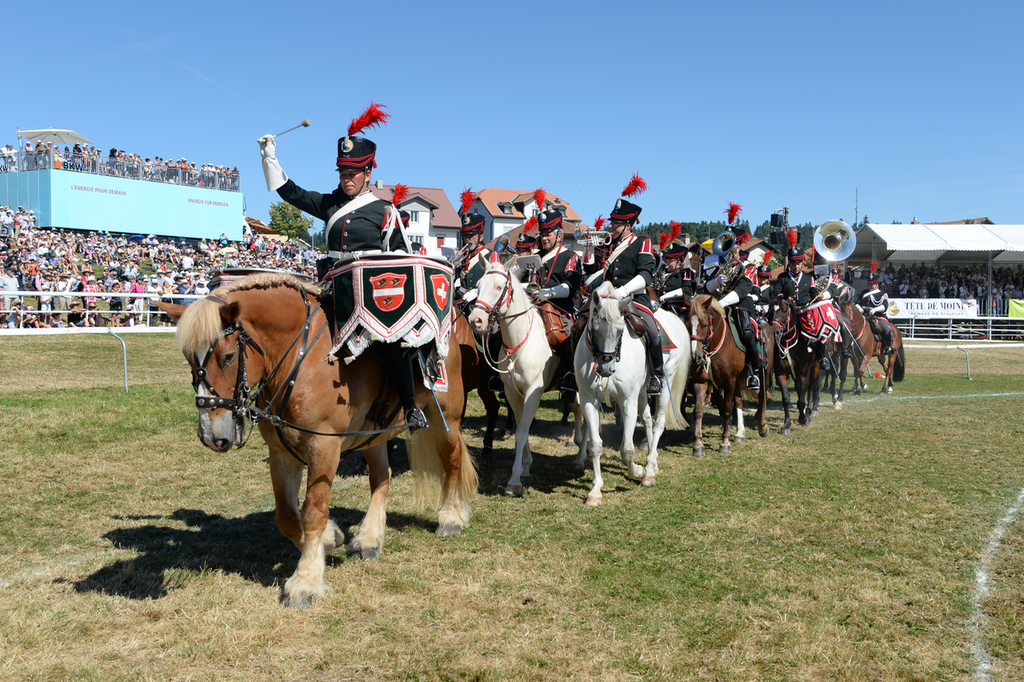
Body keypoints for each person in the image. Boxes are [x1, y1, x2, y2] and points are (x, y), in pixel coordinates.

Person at [258, 103, 427, 433]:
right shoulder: (330, 204)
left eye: (352, 173)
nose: (346, 178)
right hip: (332, 287)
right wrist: (269, 156)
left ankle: (409, 408)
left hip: (372, 295)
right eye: (342, 173)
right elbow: (290, 192)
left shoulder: (385, 211)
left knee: (392, 341)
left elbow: (401, 262)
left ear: (368, 173)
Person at [580, 178, 663, 395]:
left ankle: (657, 375)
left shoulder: (642, 242)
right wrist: (588, 259)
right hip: (606, 298)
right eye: (612, 223)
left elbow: (646, 275)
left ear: (628, 225)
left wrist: (624, 291)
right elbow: (595, 274)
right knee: (578, 324)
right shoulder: (608, 245)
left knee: (652, 332)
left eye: (616, 224)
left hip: (632, 298)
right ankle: (574, 374)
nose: (612, 227)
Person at [530, 207, 582, 393]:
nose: (544, 238)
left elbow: (571, 286)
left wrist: (549, 293)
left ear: (559, 235)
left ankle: (571, 377)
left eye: (549, 234)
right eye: (542, 233)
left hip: (560, 309)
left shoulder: (570, 256)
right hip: (534, 306)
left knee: (569, 338)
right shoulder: (535, 257)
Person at [704, 246, 764, 390]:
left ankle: (753, 371)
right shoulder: (715, 266)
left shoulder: (746, 267)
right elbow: (706, 288)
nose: (730, 252)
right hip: (715, 306)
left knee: (747, 331)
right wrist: (716, 281)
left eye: (733, 248)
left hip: (740, 306)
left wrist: (722, 303)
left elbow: (745, 286)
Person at [860, 266, 894, 355]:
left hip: (878, 316)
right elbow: (858, 302)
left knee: (885, 329)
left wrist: (875, 310)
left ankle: (888, 347)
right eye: (869, 284)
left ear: (877, 284)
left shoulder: (882, 294)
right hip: (864, 315)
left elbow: (885, 306)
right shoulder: (864, 293)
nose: (870, 286)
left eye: (872, 284)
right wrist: (859, 307)